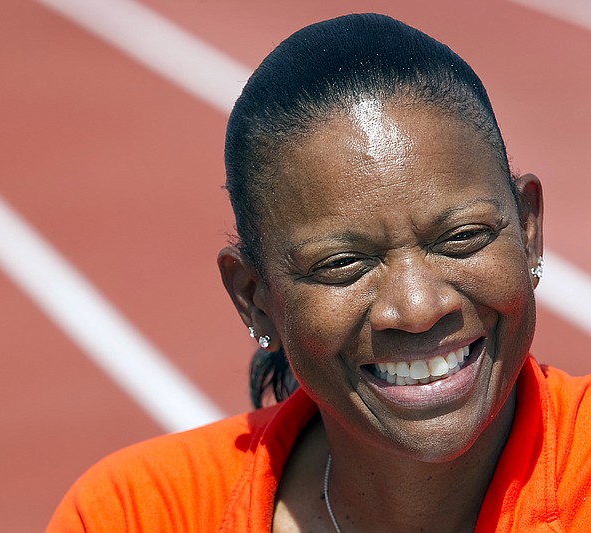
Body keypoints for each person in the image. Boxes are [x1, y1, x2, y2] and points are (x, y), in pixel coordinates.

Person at [47, 13, 591, 532]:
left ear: (527, 230)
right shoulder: (134, 515)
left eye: (463, 237)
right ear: (254, 297)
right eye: (342, 265)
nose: (419, 308)